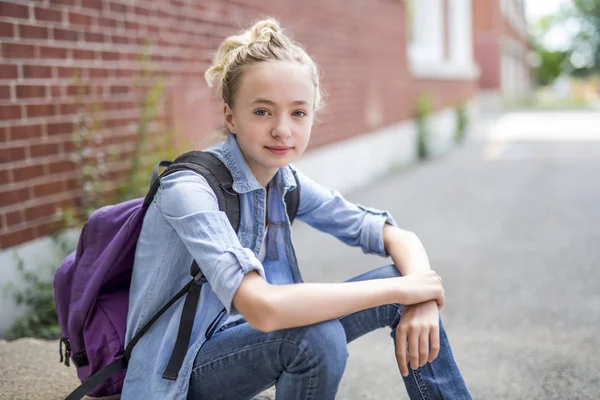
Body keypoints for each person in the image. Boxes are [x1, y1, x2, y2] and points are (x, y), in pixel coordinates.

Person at [122, 18, 471, 400]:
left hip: (247, 344)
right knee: (316, 336)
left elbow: (392, 234)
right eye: (262, 112)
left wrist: (417, 296)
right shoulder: (189, 189)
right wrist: (402, 289)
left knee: (397, 280)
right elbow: (263, 309)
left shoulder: (284, 181)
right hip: (178, 377)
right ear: (230, 116)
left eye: (298, 113)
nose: (282, 130)